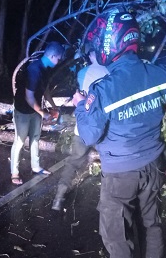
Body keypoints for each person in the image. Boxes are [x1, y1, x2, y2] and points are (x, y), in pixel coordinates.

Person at [71, 8, 166, 258]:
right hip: (154, 165)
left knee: (115, 234)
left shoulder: (103, 89)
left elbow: (89, 135)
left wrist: (81, 107)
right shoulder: (160, 74)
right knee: (151, 223)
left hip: (120, 173)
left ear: (111, 43)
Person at [51, 48, 108, 211]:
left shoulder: (83, 72)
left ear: (92, 54)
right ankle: (105, 204)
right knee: (110, 164)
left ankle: (58, 197)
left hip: (83, 126)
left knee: (73, 162)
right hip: (104, 127)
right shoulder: (110, 71)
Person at [10, 41, 65, 185]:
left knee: (35, 138)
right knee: (20, 141)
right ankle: (14, 172)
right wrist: (43, 113)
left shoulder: (46, 69)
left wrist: (53, 106)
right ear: (52, 56)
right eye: (58, 58)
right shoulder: (34, 69)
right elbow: (29, 97)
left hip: (35, 109)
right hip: (23, 109)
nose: (59, 61)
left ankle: (36, 167)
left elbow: (45, 90)